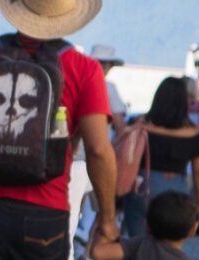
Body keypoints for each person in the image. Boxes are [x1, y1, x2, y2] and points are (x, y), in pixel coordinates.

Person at [0, 0, 119, 259]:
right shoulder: (84, 68)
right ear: (67, 14)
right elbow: (97, 149)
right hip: (45, 211)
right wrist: (107, 219)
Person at [121, 76, 199, 238]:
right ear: (183, 102)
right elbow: (198, 172)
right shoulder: (195, 134)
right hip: (176, 193)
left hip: (141, 186)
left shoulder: (138, 125)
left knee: (137, 242)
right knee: (168, 244)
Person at [70, 45, 127, 257]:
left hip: (73, 155)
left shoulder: (77, 79)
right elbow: (120, 127)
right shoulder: (108, 87)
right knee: (100, 210)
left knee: (74, 210)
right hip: (96, 157)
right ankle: (87, 251)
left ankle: (77, 245)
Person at [91, 190, 199, 259]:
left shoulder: (140, 245)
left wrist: (106, 223)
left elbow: (98, 252)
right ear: (192, 231)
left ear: (147, 225)